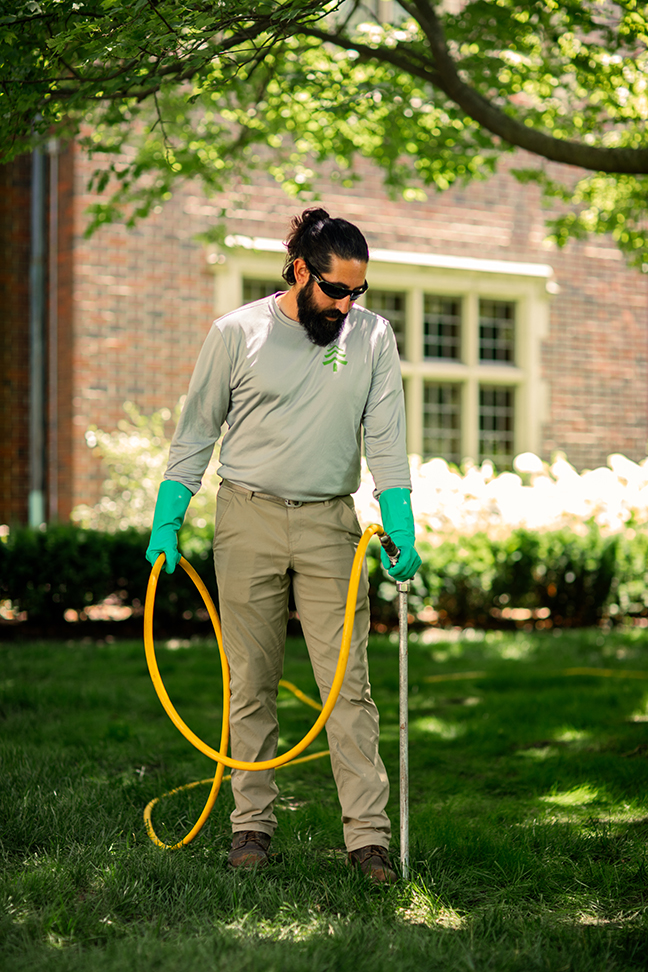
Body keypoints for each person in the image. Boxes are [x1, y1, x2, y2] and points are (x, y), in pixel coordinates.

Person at [146, 208, 421, 883]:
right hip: (249, 517)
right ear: (301, 270)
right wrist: (167, 518)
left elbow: (385, 439)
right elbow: (196, 434)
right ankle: (251, 828)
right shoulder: (236, 333)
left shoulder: (373, 337)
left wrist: (401, 519)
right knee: (251, 682)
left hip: (331, 524)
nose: (347, 305)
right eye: (335, 290)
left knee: (346, 688)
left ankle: (368, 840)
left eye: (359, 292)